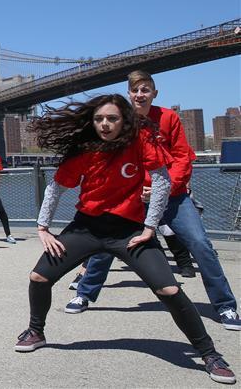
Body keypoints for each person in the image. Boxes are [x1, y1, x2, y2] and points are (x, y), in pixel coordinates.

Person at [16, 94, 234, 385]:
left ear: (124, 120)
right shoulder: (85, 149)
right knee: (39, 277)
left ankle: (209, 354)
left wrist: (150, 227)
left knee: (169, 289)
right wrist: (43, 228)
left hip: (129, 231)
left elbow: (161, 181)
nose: (105, 124)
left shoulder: (140, 140)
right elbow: (56, 187)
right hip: (87, 228)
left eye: (112, 118)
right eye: (99, 119)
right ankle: (36, 331)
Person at [64, 71, 239, 331]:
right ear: (129, 94)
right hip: (133, 196)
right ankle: (85, 294)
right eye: (135, 90)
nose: (140, 94)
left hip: (172, 197)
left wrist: (164, 189)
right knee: (106, 243)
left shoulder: (168, 118)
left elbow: (182, 158)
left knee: (201, 244)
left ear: (154, 93)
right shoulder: (121, 121)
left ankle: (225, 306)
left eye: (145, 89)